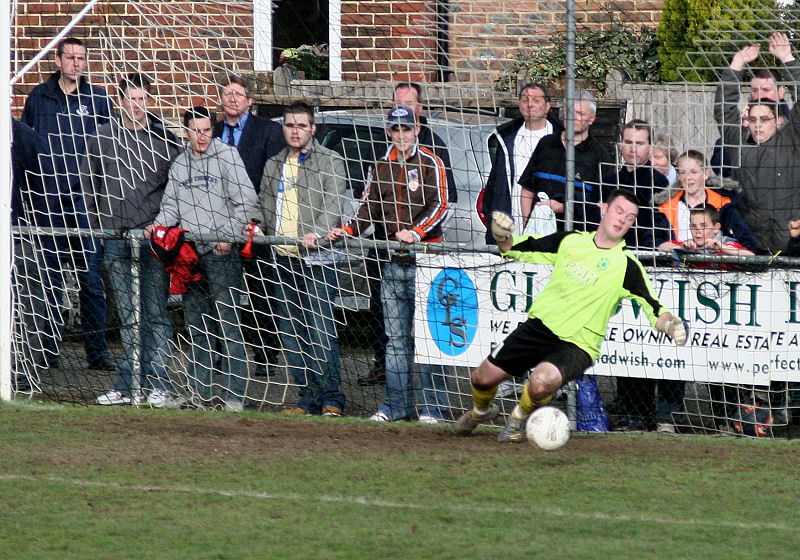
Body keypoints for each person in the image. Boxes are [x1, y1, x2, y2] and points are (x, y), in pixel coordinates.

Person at [452, 190, 687, 443]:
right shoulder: (571, 241)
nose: (622, 220)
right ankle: (480, 411)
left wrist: (671, 324)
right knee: (482, 379)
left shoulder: (627, 265)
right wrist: (502, 235)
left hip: (578, 343)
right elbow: (517, 247)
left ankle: (518, 420)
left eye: (630, 218)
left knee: (540, 382)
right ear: (603, 209)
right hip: (539, 327)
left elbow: (654, 307)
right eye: (619, 211)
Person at [326, 105, 451, 423]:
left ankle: (432, 407)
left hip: (426, 261)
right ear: (388, 132)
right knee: (396, 341)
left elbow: (441, 204)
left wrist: (417, 232)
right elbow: (369, 207)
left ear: (417, 130)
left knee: (429, 338)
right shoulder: (381, 165)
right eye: (395, 130)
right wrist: (350, 229)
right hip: (392, 263)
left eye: (406, 129)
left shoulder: (430, 163)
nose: (401, 135)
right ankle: (396, 405)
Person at [81, 73, 182, 407]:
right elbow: (88, 183)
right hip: (115, 239)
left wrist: (161, 224)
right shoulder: (101, 137)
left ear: (149, 102)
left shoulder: (164, 140)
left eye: (143, 99)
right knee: (128, 316)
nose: (137, 106)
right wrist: (102, 221)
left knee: (154, 313)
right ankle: (127, 384)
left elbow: (175, 190)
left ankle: (159, 384)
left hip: (153, 241)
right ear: (119, 101)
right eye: (131, 98)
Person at [150, 106, 259, 411]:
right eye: (195, 130)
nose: (201, 136)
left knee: (228, 326)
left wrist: (229, 234)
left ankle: (234, 396)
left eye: (207, 130)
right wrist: (158, 226)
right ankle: (200, 393)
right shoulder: (180, 163)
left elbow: (246, 199)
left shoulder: (227, 156)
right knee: (197, 328)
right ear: (185, 132)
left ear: (214, 129)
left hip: (221, 254)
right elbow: (171, 205)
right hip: (189, 256)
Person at [21, 36, 115, 371]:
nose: (76, 63)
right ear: (58, 61)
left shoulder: (99, 100)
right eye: (70, 57)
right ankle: (47, 351)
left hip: (86, 204)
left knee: (91, 280)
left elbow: (111, 152)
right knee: (49, 281)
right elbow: (26, 147)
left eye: (81, 58)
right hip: (47, 201)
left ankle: (98, 352)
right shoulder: (39, 98)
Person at [259, 101, 347, 417]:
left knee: (321, 332)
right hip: (282, 259)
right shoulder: (273, 164)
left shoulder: (331, 161)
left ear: (313, 129)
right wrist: (253, 224)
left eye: (301, 125)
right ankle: (307, 400)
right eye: (289, 125)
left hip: (317, 260)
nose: (294, 131)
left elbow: (334, 205)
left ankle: (331, 399)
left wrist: (317, 234)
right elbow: (264, 205)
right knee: (292, 334)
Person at [213, 73, 285, 375]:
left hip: (255, 227)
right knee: (219, 291)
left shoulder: (268, 131)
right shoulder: (211, 131)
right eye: (228, 93)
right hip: (218, 224)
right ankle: (218, 355)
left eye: (239, 94)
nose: (233, 99)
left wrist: (258, 220)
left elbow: (272, 179)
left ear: (250, 101)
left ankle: (265, 356)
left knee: (261, 292)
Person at [715, 32, 800, 253]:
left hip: (792, 242)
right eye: (753, 120)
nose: (758, 125)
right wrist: (737, 64)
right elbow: (724, 110)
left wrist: (788, 59)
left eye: (764, 119)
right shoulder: (739, 144)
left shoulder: (791, 139)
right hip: (753, 245)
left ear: (777, 120)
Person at [519, 89, 612, 232]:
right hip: (540, 236)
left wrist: (563, 208)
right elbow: (527, 190)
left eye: (580, 114)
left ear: (592, 118)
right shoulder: (546, 145)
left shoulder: (599, 155)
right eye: (570, 112)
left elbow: (604, 204)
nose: (573, 117)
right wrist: (528, 224)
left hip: (578, 238)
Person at [11, 118, 59, 392]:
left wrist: (35, 227)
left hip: (21, 235)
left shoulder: (25, 137)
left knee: (29, 301)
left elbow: (44, 187)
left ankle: (24, 371)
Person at [481, 82, 561, 244]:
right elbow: (494, 184)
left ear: (547, 107)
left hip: (550, 228)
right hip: (510, 231)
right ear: (519, 106)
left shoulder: (562, 140)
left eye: (536, 100)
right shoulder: (506, 138)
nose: (530, 104)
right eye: (525, 100)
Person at [655, 150, 756, 253]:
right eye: (683, 172)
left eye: (694, 172)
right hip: (678, 265)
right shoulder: (666, 207)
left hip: (717, 266)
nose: (688, 177)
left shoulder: (724, 204)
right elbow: (654, 242)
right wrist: (682, 249)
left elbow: (748, 245)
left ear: (706, 173)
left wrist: (723, 249)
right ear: (678, 176)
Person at [599, 119, 671, 251]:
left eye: (639, 143)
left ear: (650, 148)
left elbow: (657, 226)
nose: (633, 149)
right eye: (628, 142)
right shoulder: (607, 182)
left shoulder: (659, 182)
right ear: (620, 145)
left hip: (644, 252)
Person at [710, 67, 789, 179]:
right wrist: (743, 132)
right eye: (755, 90)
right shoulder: (743, 123)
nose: (760, 96)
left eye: (766, 90)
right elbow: (720, 168)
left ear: (780, 92)